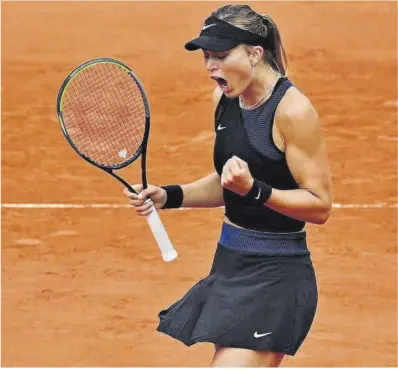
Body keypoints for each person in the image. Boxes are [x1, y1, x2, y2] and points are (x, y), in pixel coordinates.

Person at [123, 4, 332, 367]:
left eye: (221, 55)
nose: (210, 67)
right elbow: (228, 182)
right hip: (230, 265)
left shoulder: (293, 112)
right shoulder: (225, 99)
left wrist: (256, 190)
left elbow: (319, 205)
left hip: (275, 275)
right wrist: (170, 196)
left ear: (254, 54)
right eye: (206, 56)